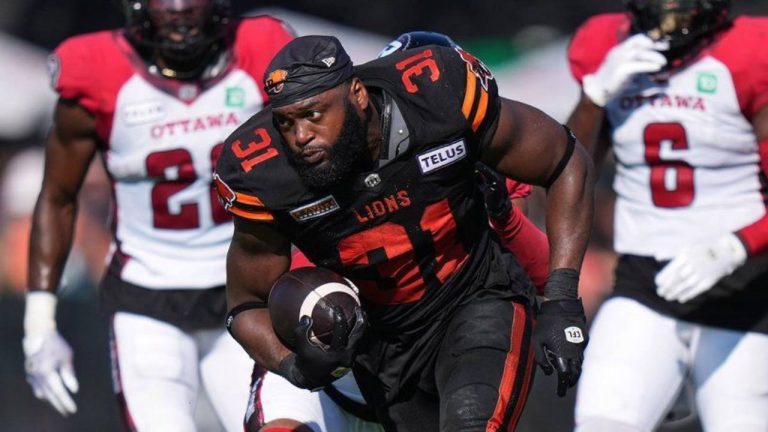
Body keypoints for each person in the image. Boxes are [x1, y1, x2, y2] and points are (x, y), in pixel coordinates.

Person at [215, 34, 594, 430]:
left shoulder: (437, 100)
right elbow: (246, 305)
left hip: (476, 298)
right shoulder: (263, 170)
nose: (301, 136)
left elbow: (564, 160)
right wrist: (295, 367)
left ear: (358, 94)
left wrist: (562, 297)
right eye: (286, 122)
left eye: (313, 113)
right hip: (378, 341)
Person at [21, 1, 293, 430]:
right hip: (148, 301)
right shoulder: (98, 70)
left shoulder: (261, 51)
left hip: (251, 286)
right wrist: (39, 324)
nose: (180, 8)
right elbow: (57, 196)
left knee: (287, 425)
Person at [567, 1, 768, 431]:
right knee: (602, 422)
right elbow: (566, 171)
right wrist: (594, 97)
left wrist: (738, 244)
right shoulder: (607, 44)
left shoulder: (750, 52)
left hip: (747, 284)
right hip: (645, 279)